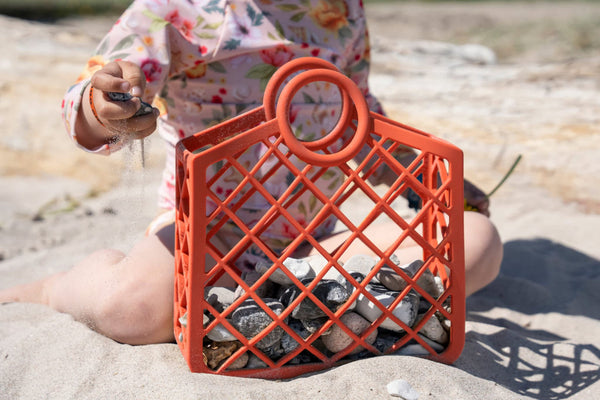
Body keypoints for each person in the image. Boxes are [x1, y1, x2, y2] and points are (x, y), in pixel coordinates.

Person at [0, 0, 502, 345]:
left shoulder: (339, 10)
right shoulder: (174, 10)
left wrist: (415, 175)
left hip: (318, 243)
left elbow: (356, 112)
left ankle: (307, 308)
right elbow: (98, 88)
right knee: (130, 310)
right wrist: (100, 105)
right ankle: (53, 288)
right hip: (203, 238)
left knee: (476, 243)